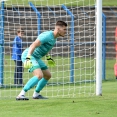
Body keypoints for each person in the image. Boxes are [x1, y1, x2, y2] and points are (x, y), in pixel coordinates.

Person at [16, 21, 67, 100]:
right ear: (58, 29)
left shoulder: (54, 38)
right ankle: (21, 94)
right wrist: (28, 57)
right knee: (39, 75)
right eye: (64, 29)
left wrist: (48, 57)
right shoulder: (47, 36)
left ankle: (36, 94)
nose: (65, 31)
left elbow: (44, 48)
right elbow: (33, 45)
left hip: (36, 57)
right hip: (29, 55)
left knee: (47, 75)